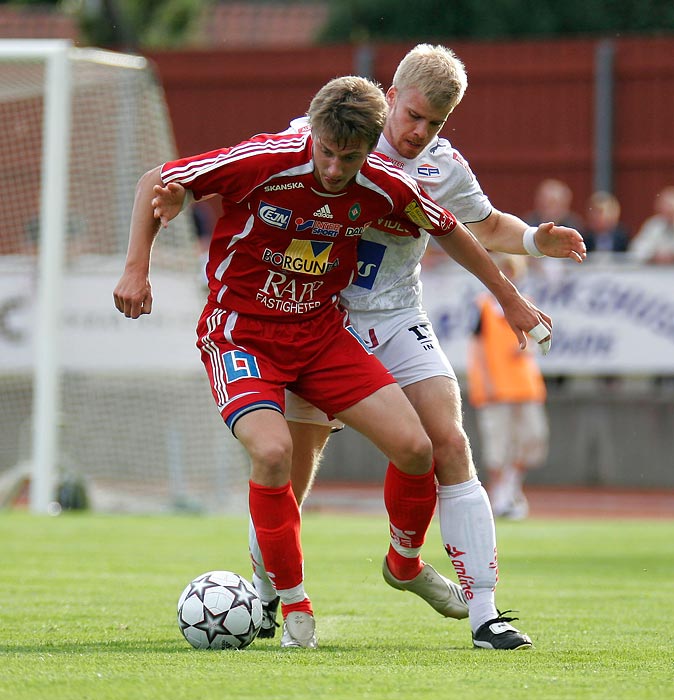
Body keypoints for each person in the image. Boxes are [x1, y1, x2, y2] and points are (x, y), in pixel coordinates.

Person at [113, 74, 552, 650]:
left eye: (349, 158)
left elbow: (458, 229)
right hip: (244, 335)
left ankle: (417, 570)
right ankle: (286, 601)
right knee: (278, 456)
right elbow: (160, 179)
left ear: (368, 150)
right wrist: (136, 266)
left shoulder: (391, 181)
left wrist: (514, 298)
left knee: (424, 446)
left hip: (330, 334)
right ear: (315, 131)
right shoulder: (273, 154)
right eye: (326, 152)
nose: (333, 170)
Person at [252, 44, 585, 651]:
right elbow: (267, 173)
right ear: (391, 94)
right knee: (291, 471)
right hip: (323, 321)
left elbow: (482, 226)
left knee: (450, 443)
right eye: (412, 115)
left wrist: (535, 239)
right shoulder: (335, 132)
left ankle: (483, 613)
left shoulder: (445, 167)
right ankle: (267, 596)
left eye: (436, 123)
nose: (418, 132)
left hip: (399, 314)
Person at [467, 254, 549, 520]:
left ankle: (512, 484)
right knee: (498, 442)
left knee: (532, 437)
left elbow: (537, 342)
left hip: (524, 384)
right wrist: (484, 380)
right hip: (496, 386)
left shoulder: (527, 304)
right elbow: (477, 348)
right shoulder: (484, 307)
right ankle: (500, 493)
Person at [629, 185, 674, 264]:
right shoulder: (654, 225)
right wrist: (654, 255)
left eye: (670, 210)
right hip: (655, 273)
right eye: (663, 209)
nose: (667, 214)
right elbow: (636, 250)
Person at [583, 191, 630, 255]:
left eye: (600, 212)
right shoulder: (584, 237)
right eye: (593, 212)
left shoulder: (623, 237)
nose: (595, 216)